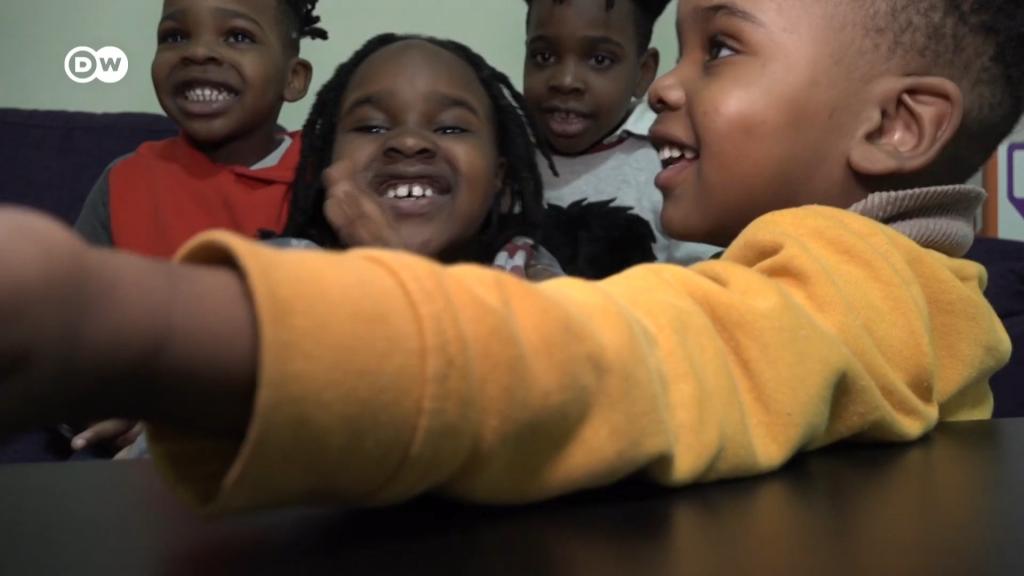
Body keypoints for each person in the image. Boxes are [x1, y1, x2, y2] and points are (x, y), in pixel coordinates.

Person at [0, 0, 1018, 512]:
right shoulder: (892, 286)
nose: (665, 86)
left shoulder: (863, 285)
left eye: (720, 48)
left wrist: (138, 324)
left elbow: (616, 360)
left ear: (895, 127)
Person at [63, 0, 327, 456]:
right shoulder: (126, 181)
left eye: (238, 36)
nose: (198, 52)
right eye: (175, 36)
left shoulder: (327, 178)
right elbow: (68, 332)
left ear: (294, 79)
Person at [522, 0, 717, 265]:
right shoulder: (503, 154)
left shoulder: (670, 162)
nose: (566, 82)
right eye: (544, 56)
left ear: (643, 73)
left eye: (600, 60)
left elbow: (704, 279)